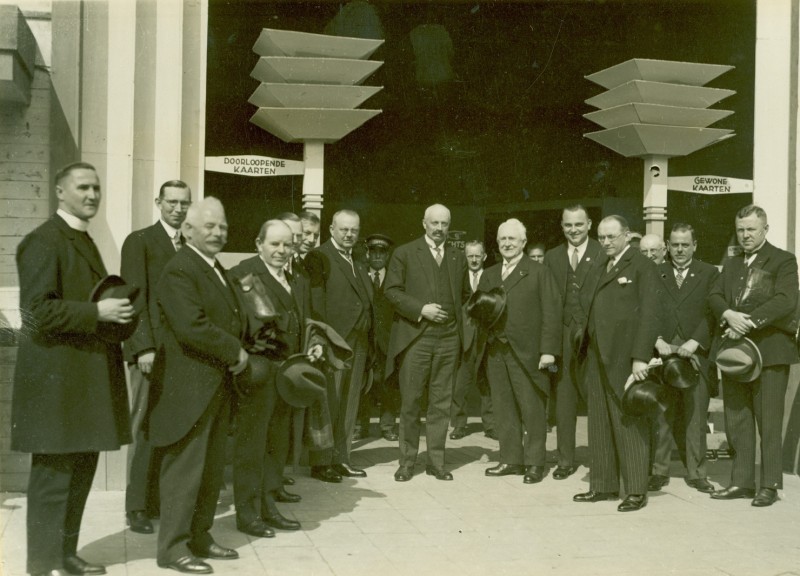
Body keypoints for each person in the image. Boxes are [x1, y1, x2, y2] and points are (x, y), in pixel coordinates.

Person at [12, 161, 134, 576]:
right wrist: (97, 311)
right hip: (56, 386)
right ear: (59, 192)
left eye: (97, 188)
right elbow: (36, 312)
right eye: (82, 187)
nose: (92, 195)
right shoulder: (44, 240)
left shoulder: (82, 237)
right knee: (53, 480)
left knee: (80, 473)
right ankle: (43, 566)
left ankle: (65, 556)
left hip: (82, 380)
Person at [148, 197, 248, 574]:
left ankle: (200, 535)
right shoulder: (180, 269)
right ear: (187, 230)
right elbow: (191, 326)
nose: (218, 232)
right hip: (189, 386)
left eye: (222, 226)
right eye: (209, 226)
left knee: (209, 469)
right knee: (184, 469)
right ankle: (172, 548)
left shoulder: (214, 266)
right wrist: (235, 351)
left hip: (215, 384)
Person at [708, 204, 799, 507]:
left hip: (770, 353)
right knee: (737, 419)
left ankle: (769, 485)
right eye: (741, 230)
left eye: (751, 230)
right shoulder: (732, 263)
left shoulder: (784, 260)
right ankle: (741, 482)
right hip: (735, 353)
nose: (745, 235)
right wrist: (728, 314)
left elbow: (785, 301)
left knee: (768, 421)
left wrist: (746, 322)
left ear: (765, 230)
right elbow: (714, 294)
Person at [573, 215, 660, 512]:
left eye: (612, 237)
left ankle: (636, 489)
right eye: (602, 237)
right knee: (598, 421)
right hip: (598, 354)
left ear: (627, 235)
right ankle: (602, 485)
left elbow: (650, 314)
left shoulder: (642, 266)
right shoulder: (600, 264)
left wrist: (640, 358)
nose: (607, 242)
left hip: (625, 356)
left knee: (629, 420)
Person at [230, 220, 309, 539]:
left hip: (285, 370)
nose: (281, 251)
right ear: (258, 243)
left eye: (287, 245)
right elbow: (254, 327)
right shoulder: (246, 273)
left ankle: (268, 502)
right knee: (252, 444)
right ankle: (248, 514)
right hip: (260, 371)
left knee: (276, 439)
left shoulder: (290, 277)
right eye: (274, 244)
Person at [120, 179, 191, 535]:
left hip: (182, 355)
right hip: (151, 352)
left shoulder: (189, 246)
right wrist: (143, 347)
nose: (178, 209)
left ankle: (157, 500)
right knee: (144, 426)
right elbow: (134, 299)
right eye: (172, 202)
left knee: (169, 426)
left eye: (184, 203)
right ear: (158, 202)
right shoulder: (141, 241)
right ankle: (135, 506)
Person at [385, 204, 467, 482]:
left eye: (444, 223)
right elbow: (391, 291)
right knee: (411, 401)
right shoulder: (405, 253)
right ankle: (407, 462)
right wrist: (421, 309)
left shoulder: (457, 256)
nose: (439, 228)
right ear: (424, 223)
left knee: (441, 403)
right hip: (416, 337)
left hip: (448, 339)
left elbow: (465, 296)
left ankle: (436, 462)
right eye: (434, 223)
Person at [479, 219, 562, 484]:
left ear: (523, 243)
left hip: (528, 352)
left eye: (512, 239)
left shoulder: (538, 272)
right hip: (496, 351)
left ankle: (535, 462)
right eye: (502, 239)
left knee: (532, 408)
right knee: (503, 408)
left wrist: (548, 351)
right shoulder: (489, 273)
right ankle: (510, 459)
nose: (507, 244)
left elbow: (552, 312)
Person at [649, 223, 718, 494]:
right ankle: (659, 471)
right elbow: (645, 308)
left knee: (695, 416)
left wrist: (696, 340)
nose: (679, 250)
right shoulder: (655, 272)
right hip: (663, 350)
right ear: (668, 245)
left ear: (694, 245)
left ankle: (697, 473)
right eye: (675, 244)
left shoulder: (709, 273)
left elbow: (713, 312)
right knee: (662, 414)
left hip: (695, 353)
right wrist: (656, 339)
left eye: (685, 245)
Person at [305, 209, 373, 481]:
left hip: (358, 341)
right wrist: (322, 338)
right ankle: (321, 463)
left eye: (354, 230)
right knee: (328, 401)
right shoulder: (320, 256)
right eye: (343, 229)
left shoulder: (357, 258)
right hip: (334, 340)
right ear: (331, 229)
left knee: (349, 403)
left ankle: (341, 458)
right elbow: (316, 302)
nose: (349, 234)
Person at [543, 205, 605, 480]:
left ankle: (601, 459)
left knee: (596, 397)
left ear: (589, 224)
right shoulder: (552, 257)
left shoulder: (602, 253)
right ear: (562, 226)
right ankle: (565, 460)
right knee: (564, 399)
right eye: (568, 225)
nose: (574, 230)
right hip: (564, 336)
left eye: (578, 224)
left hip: (594, 337)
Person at [355, 233, 400, 442]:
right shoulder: (359, 274)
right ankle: (360, 425)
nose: (378, 256)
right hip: (365, 338)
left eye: (382, 252)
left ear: (388, 255)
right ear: (368, 253)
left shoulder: (396, 277)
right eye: (374, 251)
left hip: (388, 339)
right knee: (363, 382)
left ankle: (388, 425)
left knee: (389, 383)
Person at [450, 240, 496, 441]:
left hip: (488, 336)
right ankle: (459, 424)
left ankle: (491, 425)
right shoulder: (458, 278)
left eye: (478, 255)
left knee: (488, 382)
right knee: (461, 382)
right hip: (465, 337)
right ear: (465, 257)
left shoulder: (492, 276)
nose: (474, 260)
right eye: (470, 256)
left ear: (484, 256)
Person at [277, 212, 306, 278]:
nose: (295, 241)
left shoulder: (303, 273)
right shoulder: (251, 269)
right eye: (291, 235)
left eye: (299, 236)